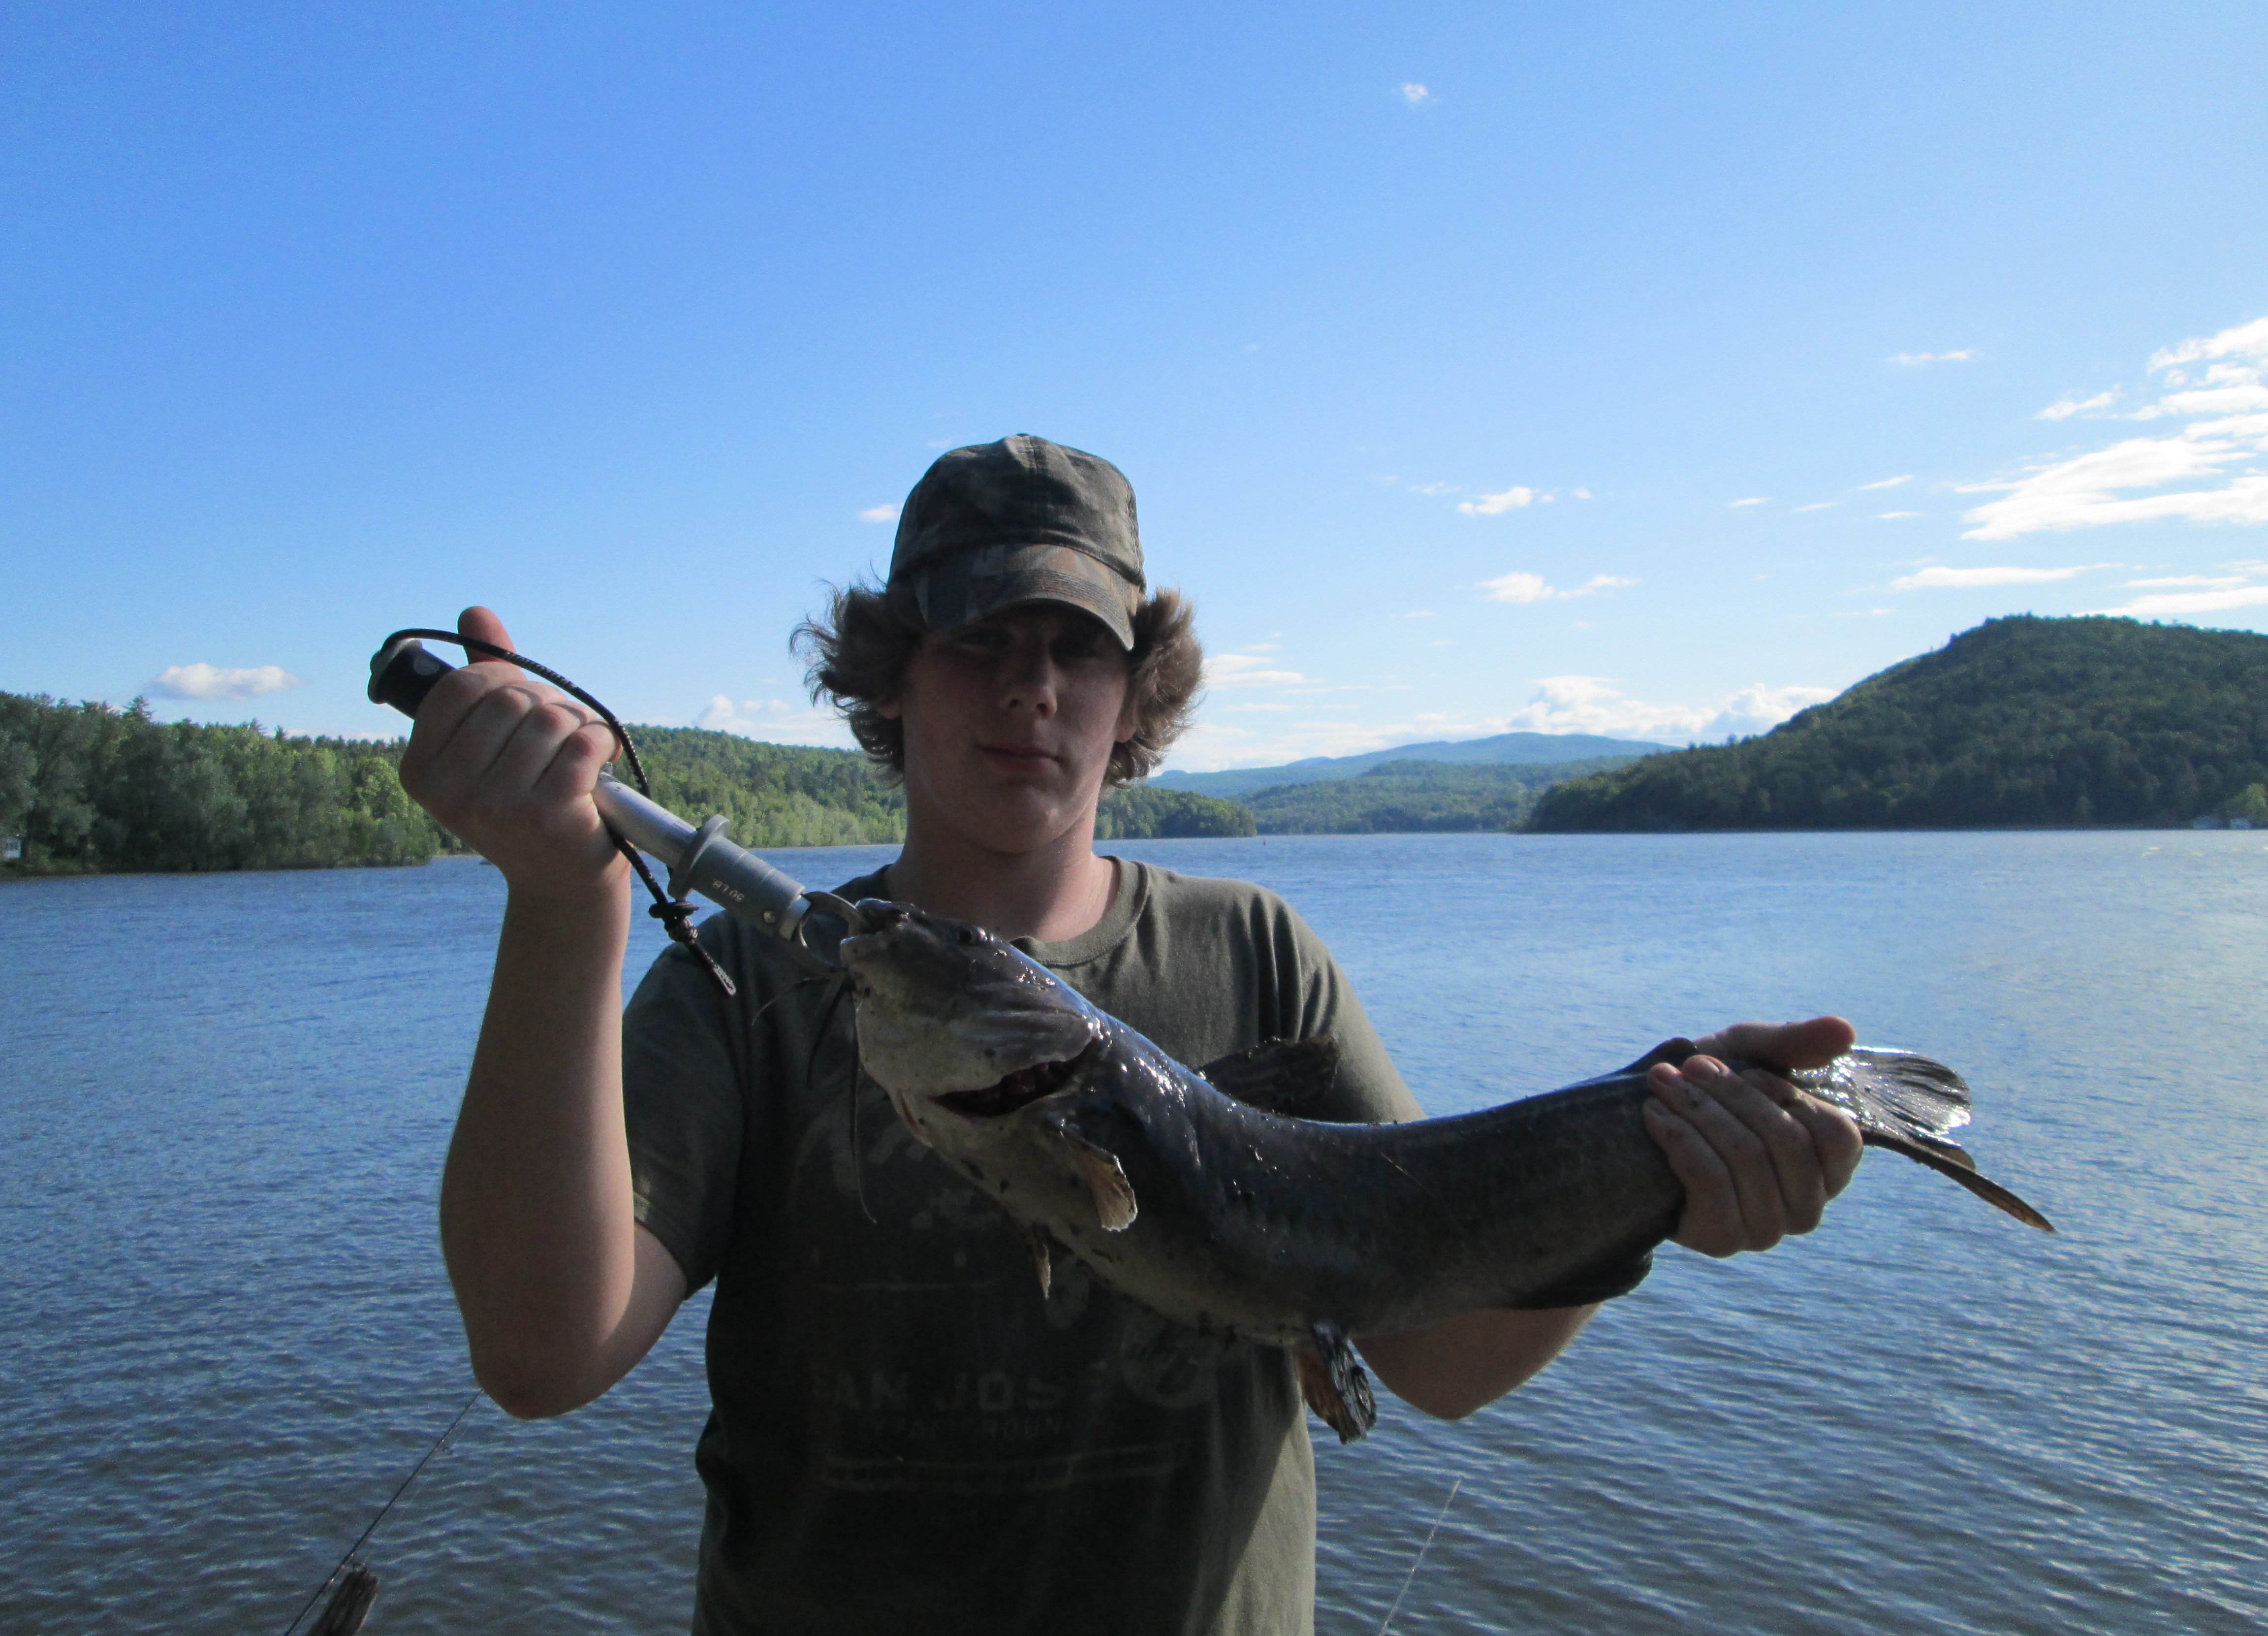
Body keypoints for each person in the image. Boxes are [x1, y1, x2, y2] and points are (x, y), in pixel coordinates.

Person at [401, 435, 1862, 1636]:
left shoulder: (1256, 957)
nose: (1032, 688)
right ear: (892, 677)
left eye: (1076, 648)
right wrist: (560, 909)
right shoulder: (755, 984)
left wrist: (1665, 1178)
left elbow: (1436, 1355)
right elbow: (541, 1355)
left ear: (1132, 692)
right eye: (979, 640)